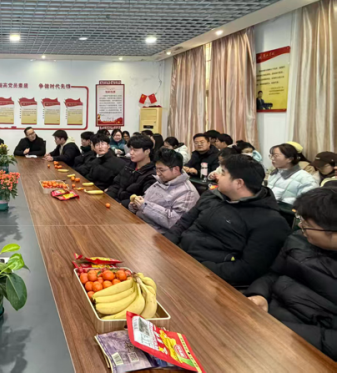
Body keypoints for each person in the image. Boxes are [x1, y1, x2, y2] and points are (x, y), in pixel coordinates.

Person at [165, 155, 290, 287]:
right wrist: (166, 244)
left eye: (223, 173)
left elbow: (249, 269)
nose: (217, 176)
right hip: (179, 257)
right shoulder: (212, 196)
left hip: (210, 279)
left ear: (239, 183)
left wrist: (199, 268)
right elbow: (184, 222)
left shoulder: (270, 222)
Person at [245, 188, 337, 360]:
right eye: (301, 220)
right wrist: (259, 294)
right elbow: (273, 274)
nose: (301, 226)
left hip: (305, 347)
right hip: (266, 319)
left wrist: (279, 329)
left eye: (307, 224)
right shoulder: (298, 239)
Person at [129, 149, 200, 233]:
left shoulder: (187, 192)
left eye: (161, 170)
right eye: (157, 169)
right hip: (140, 223)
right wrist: (136, 205)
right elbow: (145, 201)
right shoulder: (161, 181)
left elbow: (176, 222)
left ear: (176, 169)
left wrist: (145, 206)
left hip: (157, 233)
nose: (158, 173)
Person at [107, 135, 157, 207]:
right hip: (115, 202)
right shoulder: (128, 166)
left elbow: (143, 198)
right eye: (130, 149)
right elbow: (116, 184)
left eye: (135, 150)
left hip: (130, 208)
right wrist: (108, 197)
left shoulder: (152, 174)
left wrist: (123, 204)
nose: (131, 153)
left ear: (147, 151)